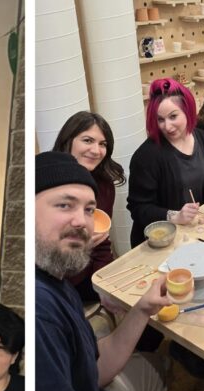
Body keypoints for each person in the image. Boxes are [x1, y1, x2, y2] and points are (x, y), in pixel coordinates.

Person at [33, 151, 204, 391]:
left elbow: (92, 368)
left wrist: (142, 309)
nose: (81, 221)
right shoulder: (40, 312)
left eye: (90, 209)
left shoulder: (55, 280)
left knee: (160, 365)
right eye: (65, 205)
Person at [127, 78, 204, 243]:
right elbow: (138, 208)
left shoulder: (203, 139)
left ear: (187, 111)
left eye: (173, 116)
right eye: (160, 119)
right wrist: (175, 216)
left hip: (194, 231)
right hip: (159, 240)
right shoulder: (146, 156)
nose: (167, 126)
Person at [53, 111, 123, 287]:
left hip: (91, 274)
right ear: (68, 140)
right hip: (57, 280)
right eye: (87, 140)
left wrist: (105, 285)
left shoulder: (104, 185)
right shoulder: (47, 187)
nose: (96, 150)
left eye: (102, 144)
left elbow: (102, 242)